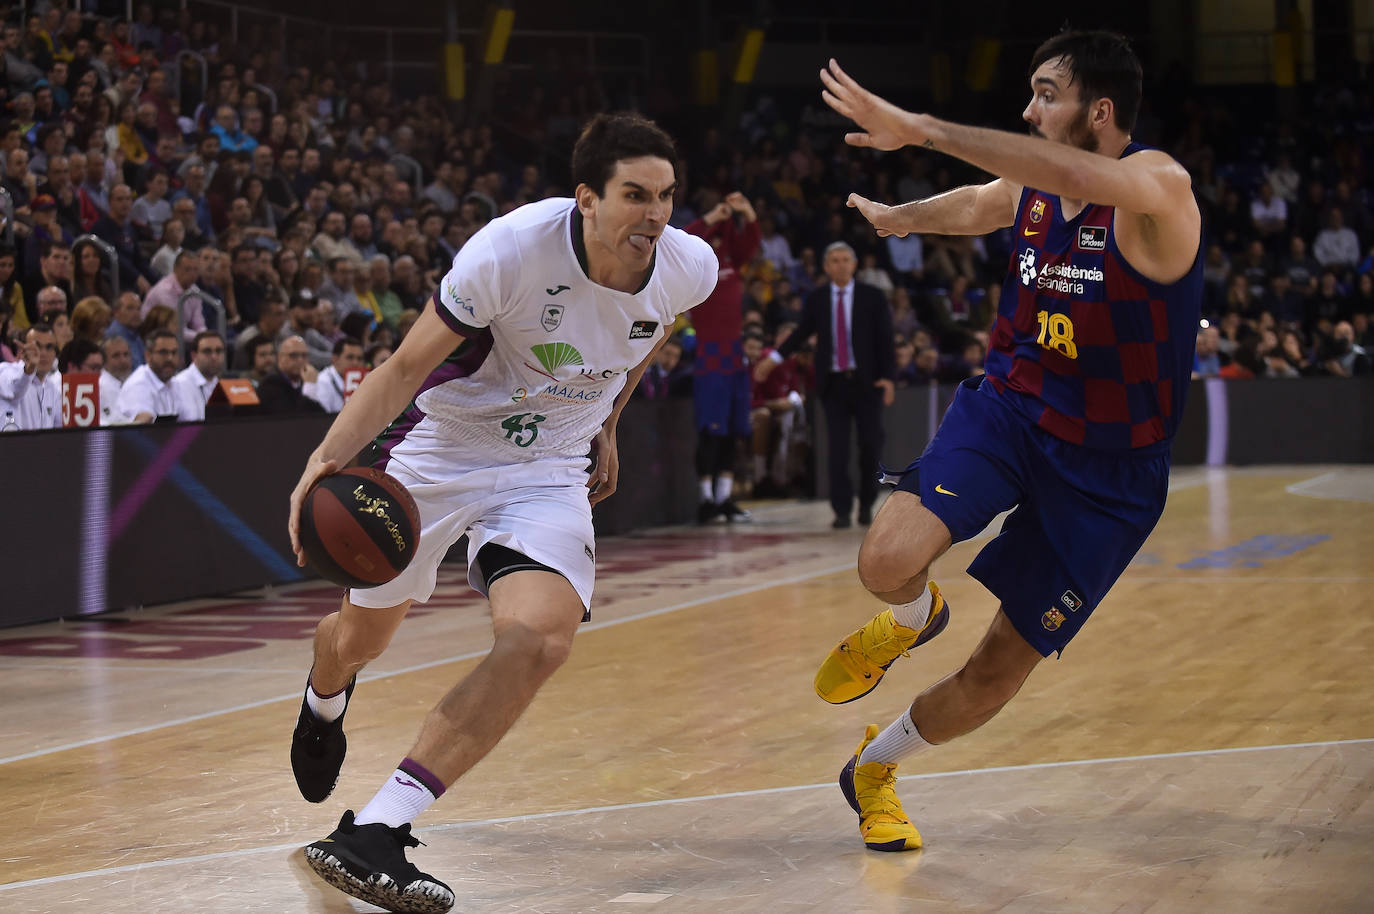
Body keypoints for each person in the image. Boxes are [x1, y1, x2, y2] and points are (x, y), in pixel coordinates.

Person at [288, 113, 717, 913]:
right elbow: (407, 363)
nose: (654, 214)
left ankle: (376, 830)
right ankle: (324, 694)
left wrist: (610, 423)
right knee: (363, 637)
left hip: (549, 468)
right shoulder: (510, 250)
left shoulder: (688, 266)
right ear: (587, 199)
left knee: (539, 638)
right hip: (441, 449)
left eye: (665, 195)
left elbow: (643, 335)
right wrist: (326, 459)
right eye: (634, 195)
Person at [808, 32, 1202, 853]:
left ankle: (873, 768)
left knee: (993, 678)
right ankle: (916, 614)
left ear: (1100, 110)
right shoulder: (1031, 191)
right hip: (1015, 408)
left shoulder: (1157, 187)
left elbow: (1077, 175)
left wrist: (918, 127)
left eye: (1045, 93)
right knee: (884, 560)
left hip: (1111, 471)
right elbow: (985, 201)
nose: (1028, 110)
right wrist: (901, 220)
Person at [758, 240, 895, 528]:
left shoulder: (872, 296)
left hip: (867, 383)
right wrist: (774, 358)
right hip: (833, 385)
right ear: (826, 266)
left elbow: (885, 339)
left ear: (854, 264)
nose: (841, 265)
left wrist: (889, 377)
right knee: (837, 450)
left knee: (870, 447)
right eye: (834, 260)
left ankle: (867, 504)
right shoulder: (818, 298)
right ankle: (842, 510)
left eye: (846, 259)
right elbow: (800, 334)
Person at [684, 191, 760, 522]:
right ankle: (704, 502)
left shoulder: (732, 259)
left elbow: (751, 242)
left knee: (734, 429)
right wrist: (713, 216)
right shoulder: (696, 265)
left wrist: (748, 211)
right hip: (710, 354)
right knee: (710, 432)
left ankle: (724, 498)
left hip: (735, 354)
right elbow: (681, 240)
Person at [0, 323, 62, 430]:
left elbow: (60, 432)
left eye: (49, 347)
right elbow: (16, 390)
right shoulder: (5, 372)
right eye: (36, 346)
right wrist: (30, 369)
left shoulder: (53, 389)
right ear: (21, 351)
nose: (42, 353)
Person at [115, 327, 180, 422]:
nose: (170, 358)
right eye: (163, 352)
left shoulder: (175, 382)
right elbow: (143, 425)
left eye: (174, 352)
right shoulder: (138, 385)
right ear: (148, 355)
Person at [256, 334, 326, 414]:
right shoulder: (270, 384)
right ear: (280, 358)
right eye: (293, 355)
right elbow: (293, 418)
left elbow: (321, 415)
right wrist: (310, 388)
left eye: (304, 355)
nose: (300, 360)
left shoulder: (305, 381)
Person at [170, 330, 224, 421]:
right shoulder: (180, 384)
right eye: (207, 351)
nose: (214, 356)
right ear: (194, 355)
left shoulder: (219, 383)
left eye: (218, 351)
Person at [305, 336, 364, 413]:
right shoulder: (323, 381)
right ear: (335, 359)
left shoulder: (365, 379)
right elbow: (322, 418)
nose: (355, 363)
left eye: (359, 359)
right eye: (350, 357)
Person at [99, 334, 134, 424]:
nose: (123, 360)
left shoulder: (135, 383)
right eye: (116, 356)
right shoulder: (99, 387)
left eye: (126, 354)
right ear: (103, 361)